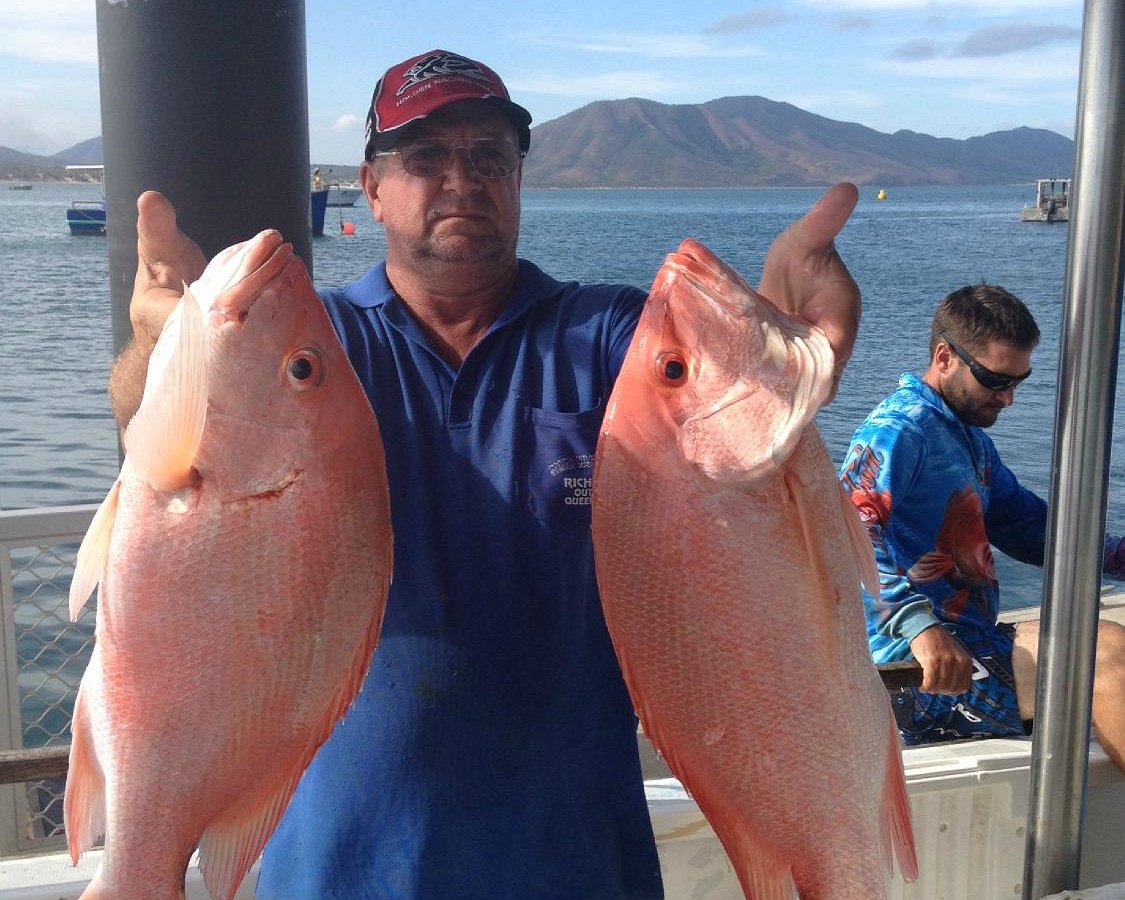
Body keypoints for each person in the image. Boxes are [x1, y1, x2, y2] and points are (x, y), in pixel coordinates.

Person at [111, 49, 862, 900]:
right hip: (335, 864)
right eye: (425, 158)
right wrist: (162, 346)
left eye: (488, 159)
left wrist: (789, 350)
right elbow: (154, 439)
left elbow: (727, 404)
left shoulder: (614, 336)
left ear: (515, 181)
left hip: (577, 860)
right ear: (371, 186)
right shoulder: (310, 349)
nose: (460, 180)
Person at [839, 284, 1125, 770]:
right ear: (944, 356)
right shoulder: (899, 430)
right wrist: (919, 627)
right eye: (994, 380)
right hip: (906, 674)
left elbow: (1029, 526)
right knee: (1105, 656)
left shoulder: (964, 436)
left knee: (1100, 639)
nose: (1009, 398)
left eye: (1018, 381)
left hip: (967, 647)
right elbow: (844, 535)